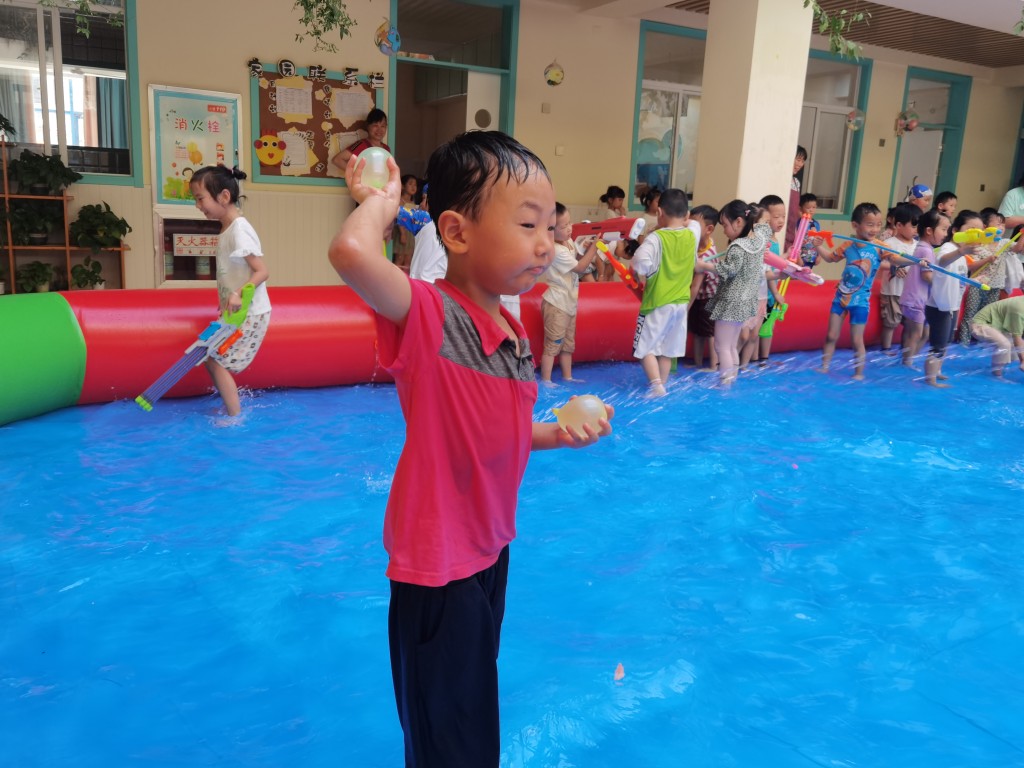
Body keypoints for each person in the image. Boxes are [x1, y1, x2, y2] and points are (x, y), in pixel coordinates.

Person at [327, 129, 613, 768]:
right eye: (528, 224)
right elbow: (349, 252)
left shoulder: (510, 330)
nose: (547, 242)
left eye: (550, 226)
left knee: (469, 722)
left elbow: (498, 431)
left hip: (488, 552)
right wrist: (381, 200)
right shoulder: (430, 315)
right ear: (456, 232)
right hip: (439, 567)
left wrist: (558, 433)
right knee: (451, 745)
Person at [189, 165, 271, 418]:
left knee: (215, 359)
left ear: (224, 196)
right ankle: (231, 407)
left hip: (251, 313)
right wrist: (226, 298)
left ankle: (234, 416)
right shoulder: (227, 229)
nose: (198, 206)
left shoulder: (239, 230)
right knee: (209, 357)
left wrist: (237, 294)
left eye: (201, 198)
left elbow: (262, 272)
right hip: (236, 311)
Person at [814, 202, 914, 380]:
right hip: (841, 297)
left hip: (860, 301)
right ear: (855, 225)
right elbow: (830, 258)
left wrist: (914, 261)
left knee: (856, 340)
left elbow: (895, 260)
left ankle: (858, 373)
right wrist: (818, 246)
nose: (875, 229)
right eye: (870, 224)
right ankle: (824, 366)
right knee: (831, 335)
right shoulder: (848, 245)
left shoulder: (880, 247)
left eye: (878, 224)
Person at [629, 188, 701, 396]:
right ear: (686, 214)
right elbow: (694, 223)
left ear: (659, 212)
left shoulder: (656, 238)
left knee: (644, 348)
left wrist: (643, 272)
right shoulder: (692, 234)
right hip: (681, 304)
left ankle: (656, 385)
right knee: (668, 350)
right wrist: (685, 221)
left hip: (658, 302)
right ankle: (663, 385)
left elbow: (640, 262)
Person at [696, 200, 771, 387]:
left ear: (738, 222)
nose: (724, 231)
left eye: (725, 225)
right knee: (731, 346)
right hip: (747, 300)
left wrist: (704, 265)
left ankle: (725, 384)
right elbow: (764, 228)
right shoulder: (758, 241)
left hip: (731, 301)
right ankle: (731, 380)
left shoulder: (737, 247)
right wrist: (753, 215)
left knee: (722, 346)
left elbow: (728, 270)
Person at [539, 203, 599, 385]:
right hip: (556, 304)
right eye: (564, 226)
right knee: (553, 344)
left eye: (570, 223)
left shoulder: (568, 242)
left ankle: (567, 377)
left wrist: (584, 248)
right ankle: (546, 380)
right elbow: (580, 268)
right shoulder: (556, 250)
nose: (569, 228)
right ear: (550, 229)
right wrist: (594, 248)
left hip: (569, 303)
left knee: (567, 345)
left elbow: (577, 260)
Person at [922, 210, 979, 387]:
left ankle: (937, 371)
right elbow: (942, 262)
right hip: (939, 306)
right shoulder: (949, 248)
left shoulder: (962, 256)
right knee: (938, 345)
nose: (974, 235)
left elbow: (957, 279)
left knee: (946, 342)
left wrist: (974, 281)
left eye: (978, 232)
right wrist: (961, 251)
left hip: (952, 305)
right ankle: (930, 379)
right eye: (970, 230)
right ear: (955, 230)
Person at [957, 208, 1005, 344]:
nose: (1001, 227)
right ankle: (964, 343)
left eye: (1003, 224)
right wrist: (987, 260)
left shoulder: (1002, 244)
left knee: (986, 316)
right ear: (986, 226)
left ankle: (980, 343)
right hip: (977, 284)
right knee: (970, 313)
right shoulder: (977, 245)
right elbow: (971, 266)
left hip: (994, 286)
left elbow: (1018, 248)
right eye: (998, 224)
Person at [879, 203, 920, 354]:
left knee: (909, 323)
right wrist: (893, 267)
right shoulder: (889, 244)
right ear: (899, 225)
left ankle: (905, 349)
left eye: (918, 226)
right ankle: (886, 349)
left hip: (911, 293)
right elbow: (879, 262)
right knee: (891, 321)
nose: (916, 230)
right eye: (913, 226)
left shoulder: (918, 246)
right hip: (893, 291)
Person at [753, 194, 788, 367]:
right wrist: (775, 293)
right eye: (776, 217)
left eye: (783, 216)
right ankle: (756, 360)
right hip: (762, 292)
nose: (781, 221)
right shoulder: (764, 241)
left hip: (770, 292)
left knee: (768, 325)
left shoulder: (774, 240)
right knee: (758, 328)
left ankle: (763, 359)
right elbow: (768, 269)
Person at [687, 204, 719, 370]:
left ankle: (713, 366)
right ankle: (697, 362)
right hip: (700, 297)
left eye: (695, 225)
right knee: (697, 331)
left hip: (709, 298)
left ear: (709, 229)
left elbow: (695, 287)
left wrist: (685, 308)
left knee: (709, 332)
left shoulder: (706, 255)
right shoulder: (701, 246)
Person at [970, 295, 1024, 377]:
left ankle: (1000, 367)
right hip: (980, 324)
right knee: (1004, 345)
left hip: (999, 327)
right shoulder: (1019, 309)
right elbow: (1017, 337)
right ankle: (997, 375)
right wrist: (1023, 361)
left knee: (1015, 348)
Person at [407, 185, 447, 283]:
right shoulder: (454, 226)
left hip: (420, 283)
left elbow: (392, 211)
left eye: (425, 199)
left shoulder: (423, 218)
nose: (421, 204)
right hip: (440, 285)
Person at [392, 174, 419, 270]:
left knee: (408, 260)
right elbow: (399, 218)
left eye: (415, 185)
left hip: (410, 234)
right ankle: (394, 278)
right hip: (402, 232)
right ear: (403, 186)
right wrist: (402, 233)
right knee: (399, 259)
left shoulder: (413, 202)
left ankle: (405, 279)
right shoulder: (400, 201)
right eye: (410, 184)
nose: (413, 187)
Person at [784, 145, 808, 250]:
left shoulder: (796, 182)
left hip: (792, 229)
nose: (800, 164)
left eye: (802, 161)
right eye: (798, 160)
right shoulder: (782, 179)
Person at [798, 193, 821, 267]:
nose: (811, 210)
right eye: (808, 208)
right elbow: (796, 241)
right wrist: (798, 258)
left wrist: (819, 256)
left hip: (812, 258)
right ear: (801, 208)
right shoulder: (800, 222)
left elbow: (819, 240)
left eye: (814, 207)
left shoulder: (816, 224)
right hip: (801, 258)